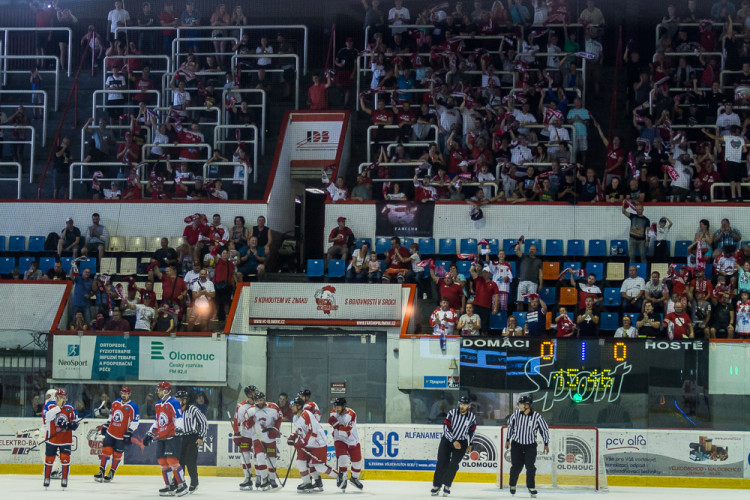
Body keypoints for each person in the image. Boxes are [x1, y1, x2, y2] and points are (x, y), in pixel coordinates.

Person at [143, 381, 187, 496]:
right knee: (163, 462)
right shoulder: (158, 404)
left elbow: (178, 417)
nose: (157, 391)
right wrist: (150, 433)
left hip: (172, 436)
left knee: (172, 461)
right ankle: (169, 486)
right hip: (162, 437)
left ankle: (182, 485)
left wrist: (178, 428)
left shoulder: (174, 402)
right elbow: (157, 422)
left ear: (166, 391)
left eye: (159, 389)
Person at [430, 396, 476, 497]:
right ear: (459, 404)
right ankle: (437, 485)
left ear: (468, 406)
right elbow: (446, 428)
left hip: (462, 443)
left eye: (465, 405)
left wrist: (470, 444)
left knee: (454, 464)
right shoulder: (452, 413)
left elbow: (472, 431)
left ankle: (447, 485)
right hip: (447, 440)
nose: (462, 406)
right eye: (461, 404)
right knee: (442, 462)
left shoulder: (471, 417)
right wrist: (453, 440)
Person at [505, 394, 549, 498]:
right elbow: (510, 427)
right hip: (517, 445)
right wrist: (507, 440)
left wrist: (546, 443)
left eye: (521, 404)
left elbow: (544, 430)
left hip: (530, 446)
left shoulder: (537, 417)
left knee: (530, 466)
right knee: (516, 466)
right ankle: (512, 484)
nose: (519, 406)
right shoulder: (515, 415)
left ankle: (531, 487)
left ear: (527, 405)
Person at [288, 396, 332, 492]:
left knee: (317, 465)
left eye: (293, 406)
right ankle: (307, 482)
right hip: (308, 442)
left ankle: (338, 477)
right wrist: (293, 436)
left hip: (317, 441)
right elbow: (299, 430)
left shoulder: (306, 414)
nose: (291, 407)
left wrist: (301, 442)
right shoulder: (295, 417)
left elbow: (312, 432)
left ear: (299, 406)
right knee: (300, 461)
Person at [95, 386, 139, 482]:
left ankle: (111, 472)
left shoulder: (133, 406)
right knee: (106, 451)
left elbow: (135, 421)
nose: (123, 395)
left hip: (121, 435)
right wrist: (106, 424)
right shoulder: (115, 403)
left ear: (129, 394)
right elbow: (111, 416)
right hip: (111, 432)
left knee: (117, 454)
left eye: (126, 393)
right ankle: (101, 471)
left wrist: (130, 431)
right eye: (122, 393)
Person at [245, 392, 282, 490]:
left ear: (264, 399)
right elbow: (245, 425)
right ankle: (264, 478)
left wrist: (276, 430)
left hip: (270, 437)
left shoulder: (274, 407)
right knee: (260, 456)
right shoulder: (250, 410)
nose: (260, 402)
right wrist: (249, 422)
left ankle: (272, 479)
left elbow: (279, 418)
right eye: (257, 401)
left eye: (261, 400)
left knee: (272, 460)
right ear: (255, 401)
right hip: (257, 437)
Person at [42, 389, 78, 489]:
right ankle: (46, 478)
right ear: (56, 397)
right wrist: (57, 407)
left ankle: (65, 478)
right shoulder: (49, 406)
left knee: (65, 459)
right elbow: (47, 417)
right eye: (59, 397)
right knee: (49, 459)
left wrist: (72, 425)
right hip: (52, 438)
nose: (61, 399)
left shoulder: (70, 408)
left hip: (65, 439)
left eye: (63, 397)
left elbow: (75, 420)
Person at [175, 390, 207, 493]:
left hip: (192, 438)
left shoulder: (193, 409)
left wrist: (200, 437)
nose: (178, 401)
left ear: (186, 400)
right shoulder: (174, 410)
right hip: (179, 438)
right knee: (179, 462)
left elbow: (203, 422)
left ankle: (194, 482)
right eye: (177, 399)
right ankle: (179, 482)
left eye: (180, 399)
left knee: (190, 461)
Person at [329, 397, 364, 491]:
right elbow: (334, 425)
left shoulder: (351, 414)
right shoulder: (333, 412)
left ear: (344, 406)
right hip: (339, 439)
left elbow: (347, 431)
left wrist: (336, 426)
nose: (336, 408)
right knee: (342, 458)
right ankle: (343, 478)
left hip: (352, 440)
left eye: (339, 407)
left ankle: (354, 478)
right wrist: (335, 427)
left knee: (357, 463)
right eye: (335, 406)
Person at [233, 385, 257, 490]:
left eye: (255, 391)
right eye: (252, 392)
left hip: (257, 435)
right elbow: (236, 421)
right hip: (245, 434)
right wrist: (237, 435)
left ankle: (260, 477)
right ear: (248, 394)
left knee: (258, 456)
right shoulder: (241, 406)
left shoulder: (260, 404)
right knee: (245, 456)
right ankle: (247, 478)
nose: (255, 394)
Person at [515, 241, 543, 312]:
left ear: (536, 251)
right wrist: (519, 242)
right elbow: (516, 250)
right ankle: (519, 317)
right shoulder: (524, 257)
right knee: (519, 301)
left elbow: (540, 274)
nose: (531, 250)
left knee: (531, 302)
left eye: (533, 249)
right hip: (522, 282)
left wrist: (541, 284)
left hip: (533, 283)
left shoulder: (539, 261)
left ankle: (530, 319)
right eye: (530, 249)